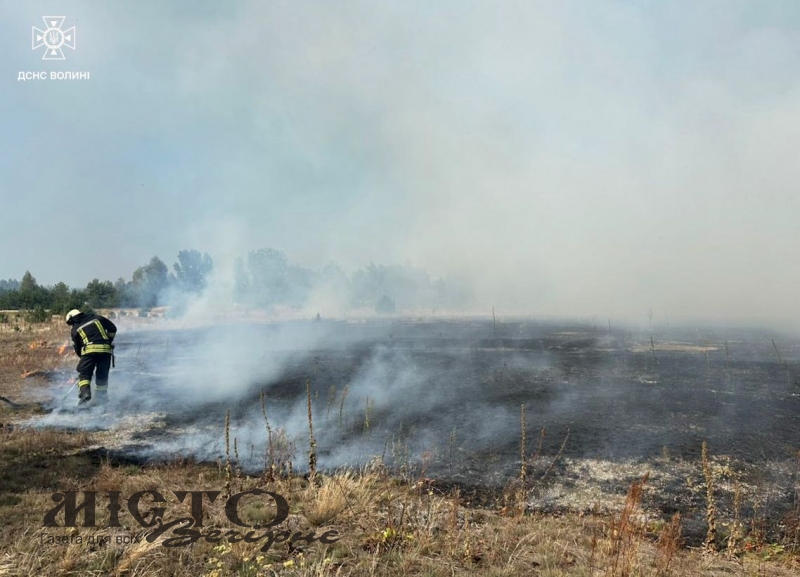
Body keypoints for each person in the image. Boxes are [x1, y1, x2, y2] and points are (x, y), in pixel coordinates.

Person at [65, 309, 117, 405]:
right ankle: (102, 398)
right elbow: (113, 328)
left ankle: (85, 394)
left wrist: (83, 359)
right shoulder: (97, 318)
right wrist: (109, 340)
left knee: (84, 374)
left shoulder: (75, 329)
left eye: (70, 322)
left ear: (72, 319)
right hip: (105, 351)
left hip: (89, 352)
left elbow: (77, 347)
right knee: (102, 376)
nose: (71, 325)